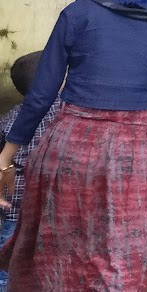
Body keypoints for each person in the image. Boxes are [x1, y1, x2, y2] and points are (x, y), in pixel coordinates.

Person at [0, 0, 147, 291]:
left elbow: (40, 96)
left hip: (68, 152)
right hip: (131, 158)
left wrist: (6, 157)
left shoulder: (78, 14)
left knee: (60, 248)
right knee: (120, 251)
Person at [0, 51, 62, 292]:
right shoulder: (66, 112)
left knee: (7, 258)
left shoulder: (9, 117)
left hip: (14, 207)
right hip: (53, 206)